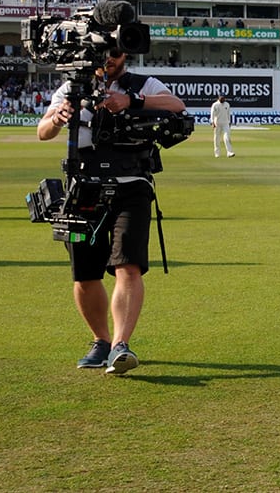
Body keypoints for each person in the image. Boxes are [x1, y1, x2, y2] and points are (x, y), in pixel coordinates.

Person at [37, 47, 187, 375]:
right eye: (103, 53)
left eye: (116, 53)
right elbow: (42, 132)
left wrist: (132, 102)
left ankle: (120, 344)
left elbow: (176, 106)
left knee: (128, 266)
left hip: (132, 184)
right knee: (85, 273)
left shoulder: (142, 84)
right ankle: (100, 340)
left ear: (125, 55)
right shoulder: (71, 88)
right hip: (84, 187)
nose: (109, 59)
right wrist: (58, 116)